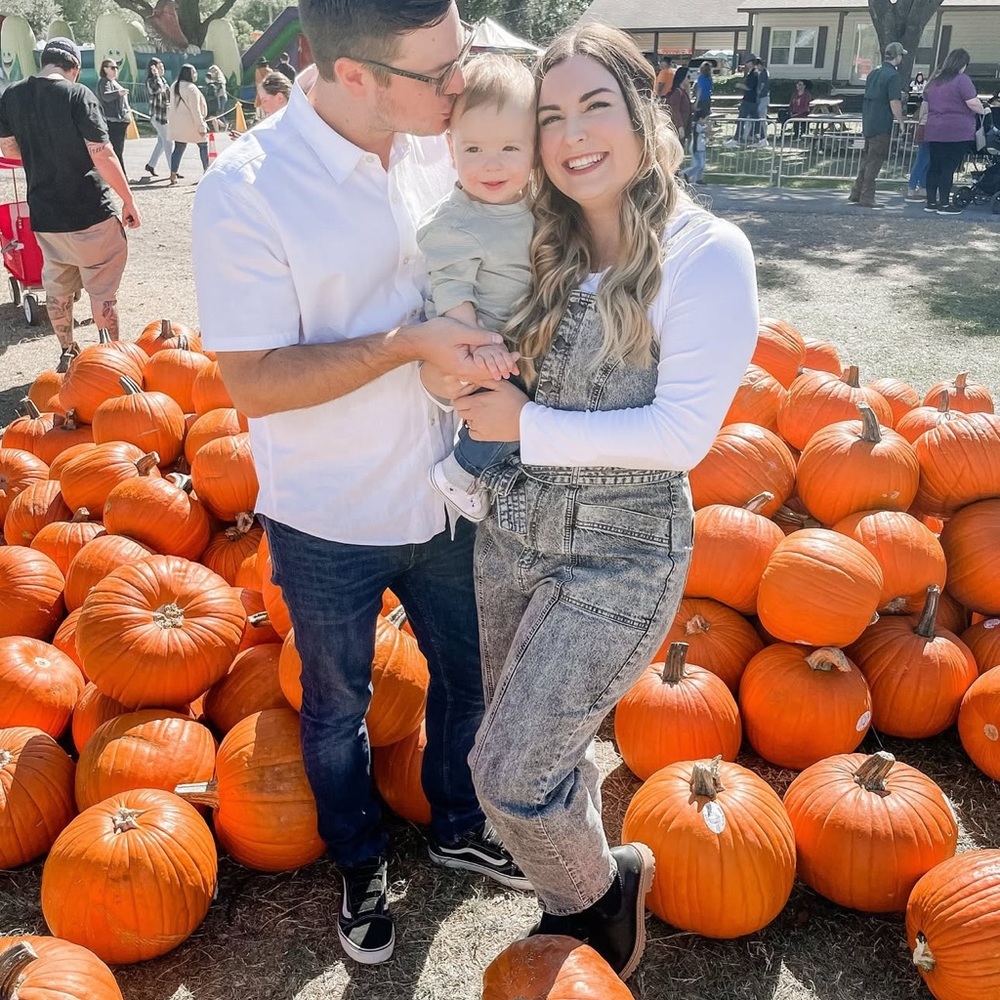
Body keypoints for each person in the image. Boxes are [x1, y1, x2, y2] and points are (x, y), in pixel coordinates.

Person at [191, 0, 528, 968]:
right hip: (329, 518)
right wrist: (406, 347)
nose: (460, 84)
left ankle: (457, 820)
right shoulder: (245, 190)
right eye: (437, 75)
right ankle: (359, 862)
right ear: (352, 77)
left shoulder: (439, 140)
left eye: (460, 60)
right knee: (336, 713)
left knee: (468, 680)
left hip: (447, 495)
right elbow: (252, 379)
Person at [456, 22, 757, 981]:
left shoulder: (705, 254)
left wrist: (517, 426)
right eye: (552, 115)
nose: (573, 134)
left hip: (619, 559)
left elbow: (680, 437)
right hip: (509, 537)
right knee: (533, 755)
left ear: (644, 111)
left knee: (504, 773)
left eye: (597, 106)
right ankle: (572, 903)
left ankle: (601, 896)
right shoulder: (533, 241)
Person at [418, 55, 534, 521]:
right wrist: (478, 345)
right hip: (474, 336)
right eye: (473, 150)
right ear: (451, 149)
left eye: (510, 149)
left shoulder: (528, 204)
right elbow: (451, 293)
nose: (491, 165)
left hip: (509, 334)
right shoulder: (457, 222)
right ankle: (461, 472)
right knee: (511, 406)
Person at [0, 37, 140, 371]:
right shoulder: (77, 95)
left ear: (44, 62)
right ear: (74, 67)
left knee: (58, 288)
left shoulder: (12, 96)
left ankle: (69, 351)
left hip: (45, 215)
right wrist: (128, 199)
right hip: (90, 211)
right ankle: (112, 362)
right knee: (101, 290)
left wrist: (42, 156)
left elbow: (8, 149)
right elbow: (102, 153)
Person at [923, 48, 986, 215]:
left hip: (934, 128)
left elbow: (926, 101)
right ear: (963, 64)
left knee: (935, 166)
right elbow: (972, 103)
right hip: (956, 130)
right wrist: (983, 110)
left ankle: (931, 202)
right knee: (948, 167)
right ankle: (944, 204)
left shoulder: (935, 81)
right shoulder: (962, 80)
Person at [848, 41, 906, 209]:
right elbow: (894, 102)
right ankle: (867, 197)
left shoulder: (874, 73)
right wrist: (901, 122)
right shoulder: (893, 76)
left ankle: (856, 193)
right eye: (901, 55)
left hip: (869, 121)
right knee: (875, 160)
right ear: (898, 57)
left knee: (866, 159)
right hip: (882, 124)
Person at [168, 63, 209, 184]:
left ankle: (173, 174)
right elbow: (195, 109)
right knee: (203, 145)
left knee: (178, 148)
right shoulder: (191, 88)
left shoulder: (174, 85)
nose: (196, 74)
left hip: (178, 125)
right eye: (194, 72)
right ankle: (206, 171)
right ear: (189, 74)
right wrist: (201, 126)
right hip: (192, 124)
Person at [228, 71, 291, 139]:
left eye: (264, 101)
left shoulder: (293, 122)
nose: (262, 106)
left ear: (279, 98)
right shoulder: (278, 122)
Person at [96, 58, 130, 171]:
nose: (115, 70)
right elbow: (106, 96)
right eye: (112, 67)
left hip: (120, 119)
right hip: (113, 120)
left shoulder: (113, 82)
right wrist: (118, 93)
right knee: (116, 150)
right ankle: (120, 175)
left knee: (118, 150)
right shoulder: (104, 81)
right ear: (105, 69)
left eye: (116, 67)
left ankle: (120, 174)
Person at [143, 57, 171, 178]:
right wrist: (156, 76)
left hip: (165, 114)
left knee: (161, 141)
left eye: (162, 66)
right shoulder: (151, 81)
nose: (162, 69)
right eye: (159, 67)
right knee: (169, 142)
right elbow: (158, 90)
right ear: (153, 69)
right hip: (157, 115)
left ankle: (151, 164)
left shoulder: (163, 79)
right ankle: (173, 169)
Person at [724, 58, 759, 145]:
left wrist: (739, 85)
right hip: (754, 100)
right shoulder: (753, 72)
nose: (746, 64)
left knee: (741, 119)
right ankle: (758, 137)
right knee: (756, 119)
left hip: (749, 100)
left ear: (752, 63)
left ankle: (736, 138)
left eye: (747, 62)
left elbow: (749, 87)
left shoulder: (753, 74)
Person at [906, 96, 930, 199]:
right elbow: (922, 115)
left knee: (927, 162)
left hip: (926, 127)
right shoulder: (928, 99)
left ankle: (922, 187)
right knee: (922, 161)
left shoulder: (927, 99)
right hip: (926, 129)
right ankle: (912, 186)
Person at [682, 104, 710, 184]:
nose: (706, 121)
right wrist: (709, 126)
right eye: (706, 119)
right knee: (698, 165)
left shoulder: (701, 126)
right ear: (700, 118)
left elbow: (706, 134)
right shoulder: (697, 126)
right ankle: (685, 173)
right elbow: (706, 131)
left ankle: (699, 178)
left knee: (702, 165)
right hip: (696, 148)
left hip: (701, 147)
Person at [664, 71, 693, 144]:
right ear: (682, 78)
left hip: (684, 125)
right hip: (677, 127)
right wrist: (680, 126)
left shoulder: (683, 92)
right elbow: (675, 109)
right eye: (687, 77)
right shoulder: (677, 92)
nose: (689, 80)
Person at [204, 64, 228, 132]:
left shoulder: (219, 82)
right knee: (217, 115)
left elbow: (218, 91)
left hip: (221, 97)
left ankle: (225, 124)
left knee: (220, 113)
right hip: (217, 98)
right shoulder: (213, 82)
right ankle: (222, 125)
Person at [754, 58, 770, 144]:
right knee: (759, 115)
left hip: (763, 97)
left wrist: (758, 93)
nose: (757, 67)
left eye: (758, 65)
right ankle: (759, 133)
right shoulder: (759, 73)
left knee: (762, 115)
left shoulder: (764, 73)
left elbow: (762, 85)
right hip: (761, 97)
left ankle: (764, 134)